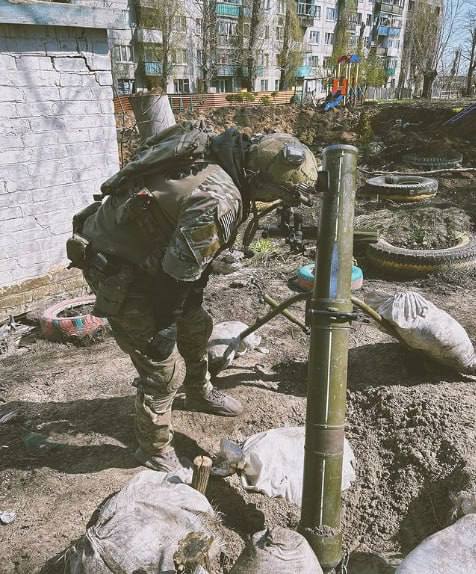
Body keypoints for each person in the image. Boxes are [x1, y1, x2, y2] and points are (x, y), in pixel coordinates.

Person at [67, 123, 319, 471]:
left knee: (197, 327)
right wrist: (165, 327)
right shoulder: (220, 198)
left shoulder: (222, 155)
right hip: (121, 270)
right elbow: (177, 274)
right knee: (162, 366)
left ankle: (199, 390)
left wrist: (187, 306)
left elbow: (190, 263)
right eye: (279, 193)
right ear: (260, 180)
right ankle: (153, 448)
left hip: (154, 259)